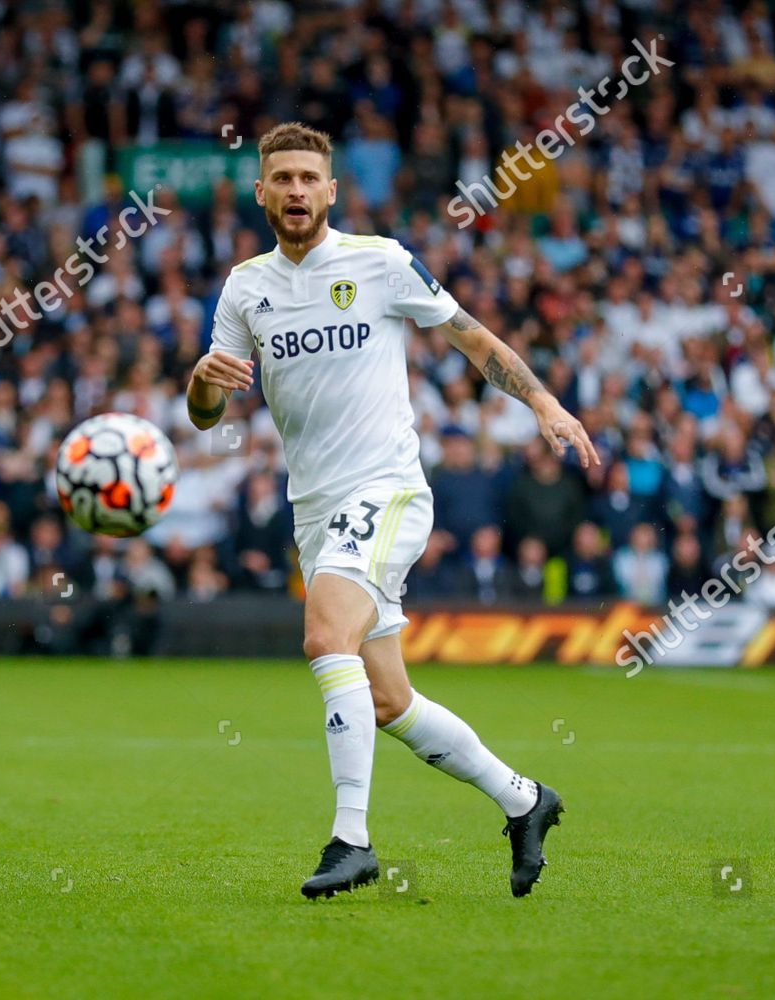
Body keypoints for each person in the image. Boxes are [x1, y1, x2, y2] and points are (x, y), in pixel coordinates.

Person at [187, 123, 597, 899]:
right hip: (315, 509)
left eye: (311, 177)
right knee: (385, 700)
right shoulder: (246, 287)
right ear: (262, 192)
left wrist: (542, 399)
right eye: (284, 179)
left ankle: (352, 840)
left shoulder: (378, 263)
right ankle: (524, 800)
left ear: (332, 190)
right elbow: (209, 412)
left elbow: (472, 340)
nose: (298, 190)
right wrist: (204, 381)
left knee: (323, 634)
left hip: (387, 490)